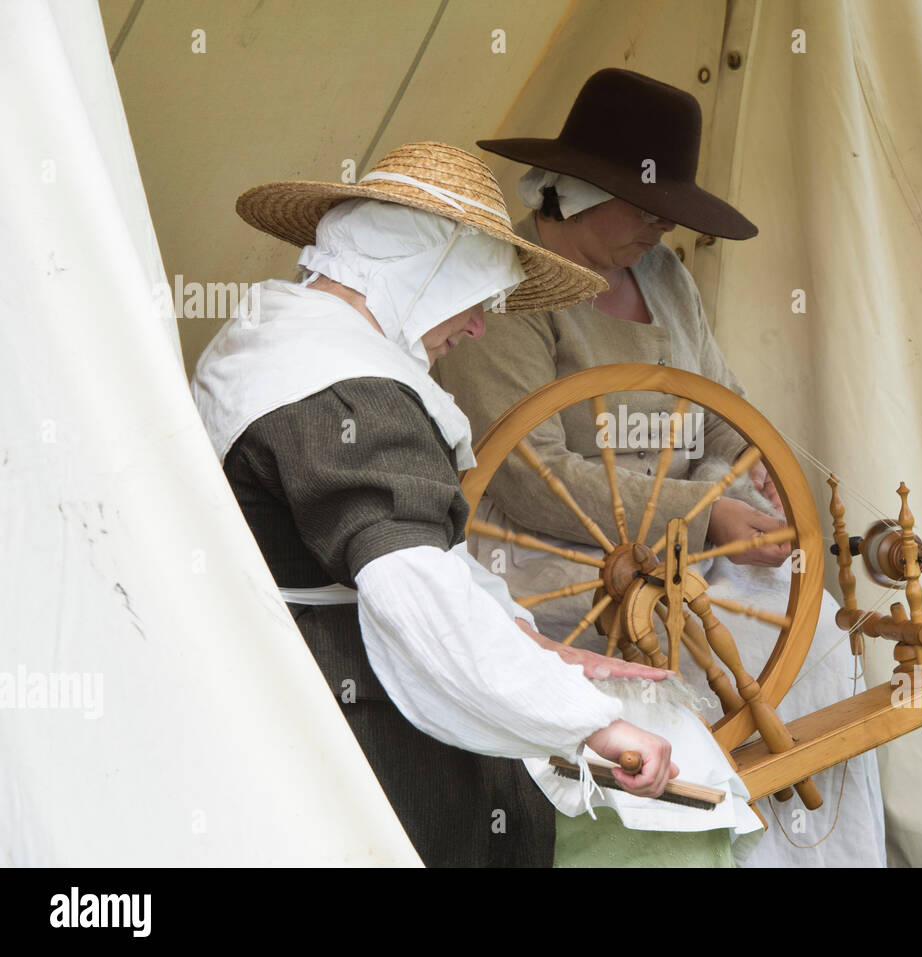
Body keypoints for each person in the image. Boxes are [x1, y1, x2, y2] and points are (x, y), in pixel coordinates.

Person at [435, 70, 887, 867]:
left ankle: (819, 854)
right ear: (575, 190)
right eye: (644, 206)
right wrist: (704, 511)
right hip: (560, 571)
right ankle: (714, 842)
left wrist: (742, 481)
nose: (657, 228)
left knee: (811, 620)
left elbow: (721, 408)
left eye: (666, 212)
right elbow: (529, 475)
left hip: (688, 558)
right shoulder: (505, 290)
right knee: (679, 666)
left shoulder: (666, 277)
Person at [190, 142, 683, 867]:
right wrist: (589, 725)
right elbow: (411, 586)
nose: (479, 328)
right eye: (475, 298)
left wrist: (526, 642)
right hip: (345, 719)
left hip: (269, 675)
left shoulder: (272, 339)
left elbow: (424, 562)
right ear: (421, 275)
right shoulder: (348, 390)